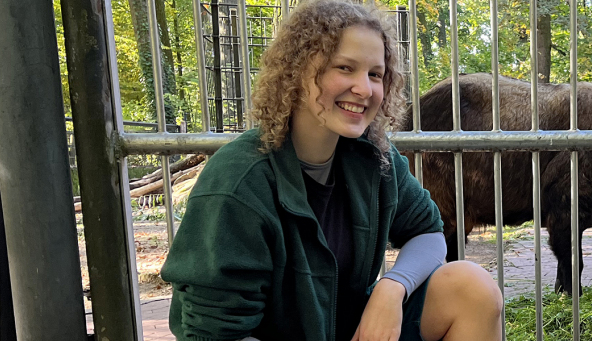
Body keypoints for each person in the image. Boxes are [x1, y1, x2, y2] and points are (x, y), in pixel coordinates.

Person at [160, 1, 503, 340]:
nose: (364, 88)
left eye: (375, 74)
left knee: (471, 288)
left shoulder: (375, 159)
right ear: (296, 71)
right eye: (344, 68)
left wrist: (392, 287)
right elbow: (212, 333)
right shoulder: (237, 182)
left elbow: (428, 232)